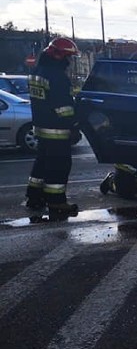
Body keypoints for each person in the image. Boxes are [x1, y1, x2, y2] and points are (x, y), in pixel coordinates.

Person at [25, 37, 81, 219]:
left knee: (42, 163)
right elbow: (63, 108)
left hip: (41, 127)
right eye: (68, 58)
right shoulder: (57, 77)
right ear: (59, 57)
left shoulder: (37, 72)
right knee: (59, 166)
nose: (69, 62)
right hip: (57, 130)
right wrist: (74, 124)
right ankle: (56, 202)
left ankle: (34, 197)